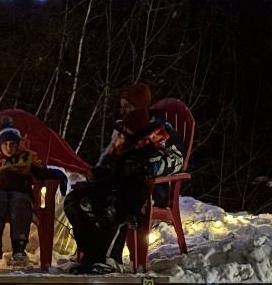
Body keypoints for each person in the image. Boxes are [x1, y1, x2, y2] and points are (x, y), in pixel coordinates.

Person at [64, 84, 183, 272]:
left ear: (140, 106)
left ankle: (110, 259)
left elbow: (176, 160)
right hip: (115, 181)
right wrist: (98, 172)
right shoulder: (123, 130)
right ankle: (92, 255)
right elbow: (108, 159)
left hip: (148, 187)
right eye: (122, 106)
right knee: (74, 201)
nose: (122, 111)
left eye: (127, 106)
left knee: (114, 203)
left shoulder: (160, 130)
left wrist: (146, 165)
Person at [0, 124, 57, 265]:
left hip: (22, 195)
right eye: (5, 144)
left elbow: (42, 174)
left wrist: (57, 175)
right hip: (1, 197)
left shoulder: (27, 159)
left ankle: (19, 247)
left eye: (12, 144)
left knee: (19, 202)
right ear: (0, 145)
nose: (9, 147)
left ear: (18, 145)